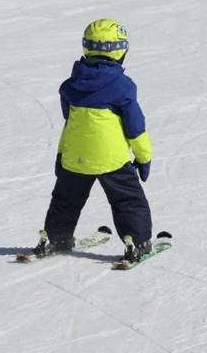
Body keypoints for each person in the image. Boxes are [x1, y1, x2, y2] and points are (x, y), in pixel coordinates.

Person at [31, 18, 154, 262]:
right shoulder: (123, 86)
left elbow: (71, 124)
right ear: (120, 50)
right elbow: (135, 127)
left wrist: (61, 155)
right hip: (112, 160)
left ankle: (55, 236)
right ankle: (137, 241)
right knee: (128, 201)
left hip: (74, 158)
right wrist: (144, 156)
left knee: (65, 200)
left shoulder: (71, 85)